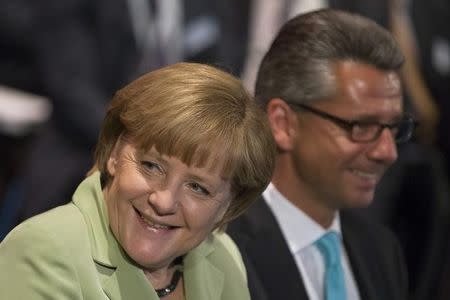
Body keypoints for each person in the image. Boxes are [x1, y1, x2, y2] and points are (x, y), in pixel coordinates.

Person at [0, 62, 276, 300]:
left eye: (197, 187)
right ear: (114, 154)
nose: (163, 201)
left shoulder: (223, 257)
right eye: (151, 166)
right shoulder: (43, 251)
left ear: (228, 206)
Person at [228, 9, 412, 300]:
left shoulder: (380, 250)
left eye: (394, 127)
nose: (387, 152)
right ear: (283, 123)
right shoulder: (221, 251)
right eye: (361, 127)